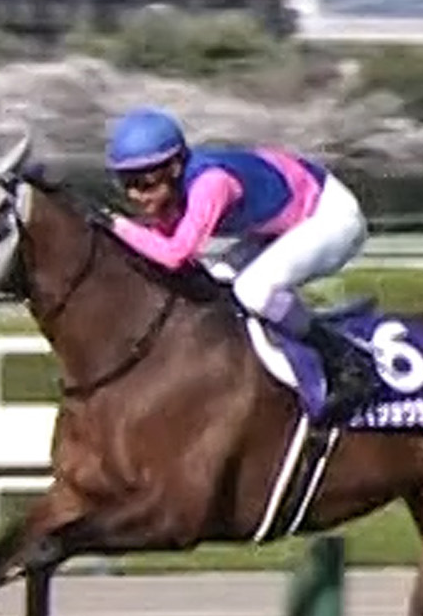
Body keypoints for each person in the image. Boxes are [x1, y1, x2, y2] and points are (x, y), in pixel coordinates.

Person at [103, 106, 380, 424]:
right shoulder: (175, 190)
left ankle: (346, 361)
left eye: (144, 182)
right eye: (126, 183)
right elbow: (163, 250)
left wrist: (114, 225)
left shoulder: (212, 184)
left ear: (176, 167)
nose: (135, 195)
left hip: (332, 217)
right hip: (282, 225)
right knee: (217, 280)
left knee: (254, 291)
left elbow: (175, 254)